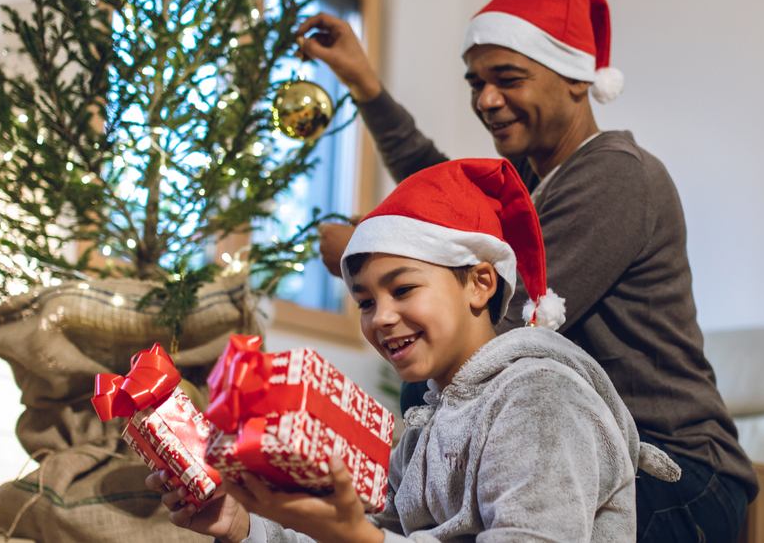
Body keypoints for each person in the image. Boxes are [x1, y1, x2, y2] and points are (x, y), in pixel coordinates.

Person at [297, 0, 756, 542]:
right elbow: (436, 192)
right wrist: (365, 85)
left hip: (675, 470)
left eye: (508, 78)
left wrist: (367, 253)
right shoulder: (534, 177)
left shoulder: (615, 176)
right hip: (576, 448)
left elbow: (489, 326)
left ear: (576, 79)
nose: (486, 99)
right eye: (475, 82)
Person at [151, 158, 679, 542]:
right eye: (364, 301)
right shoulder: (427, 429)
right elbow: (382, 535)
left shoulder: (541, 399)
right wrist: (242, 527)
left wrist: (359, 537)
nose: (380, 317)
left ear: (480, 284)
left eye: (403, 290)